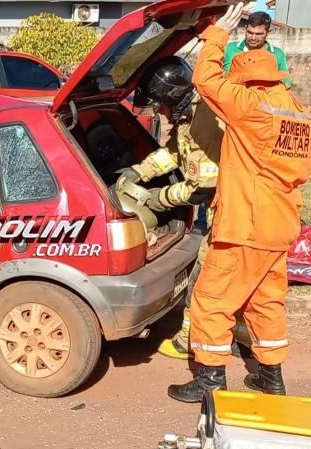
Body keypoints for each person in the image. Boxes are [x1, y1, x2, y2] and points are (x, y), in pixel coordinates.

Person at [167, 2, 311, 403]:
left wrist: (217, 35)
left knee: (213, 300)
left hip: (245, 225)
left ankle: (210, 378)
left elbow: (206, 79)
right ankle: (271, 376)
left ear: (247, 80)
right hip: (281, 223)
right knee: (266, 301)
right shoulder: (299, 113)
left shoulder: (249, 105)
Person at [116, 57, 254, 361]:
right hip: (237, 210)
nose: (160, 114)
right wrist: (140, 172)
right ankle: (241, 332)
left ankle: (190, 341)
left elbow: (202, 186)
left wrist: (157, 199)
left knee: (205, 282)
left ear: (172, 98)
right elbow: (176, 154)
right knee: (238, 279)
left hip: (231, 211)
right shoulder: (191, 116)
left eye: (160, 106)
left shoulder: (203, 118)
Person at [223, 12, 290, 86]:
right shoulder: (230, 49)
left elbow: (285, 83)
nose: (253, 38)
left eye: (259, 34)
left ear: (268, 32)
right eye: (250, 32)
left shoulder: (277, 54)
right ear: (245, 29)